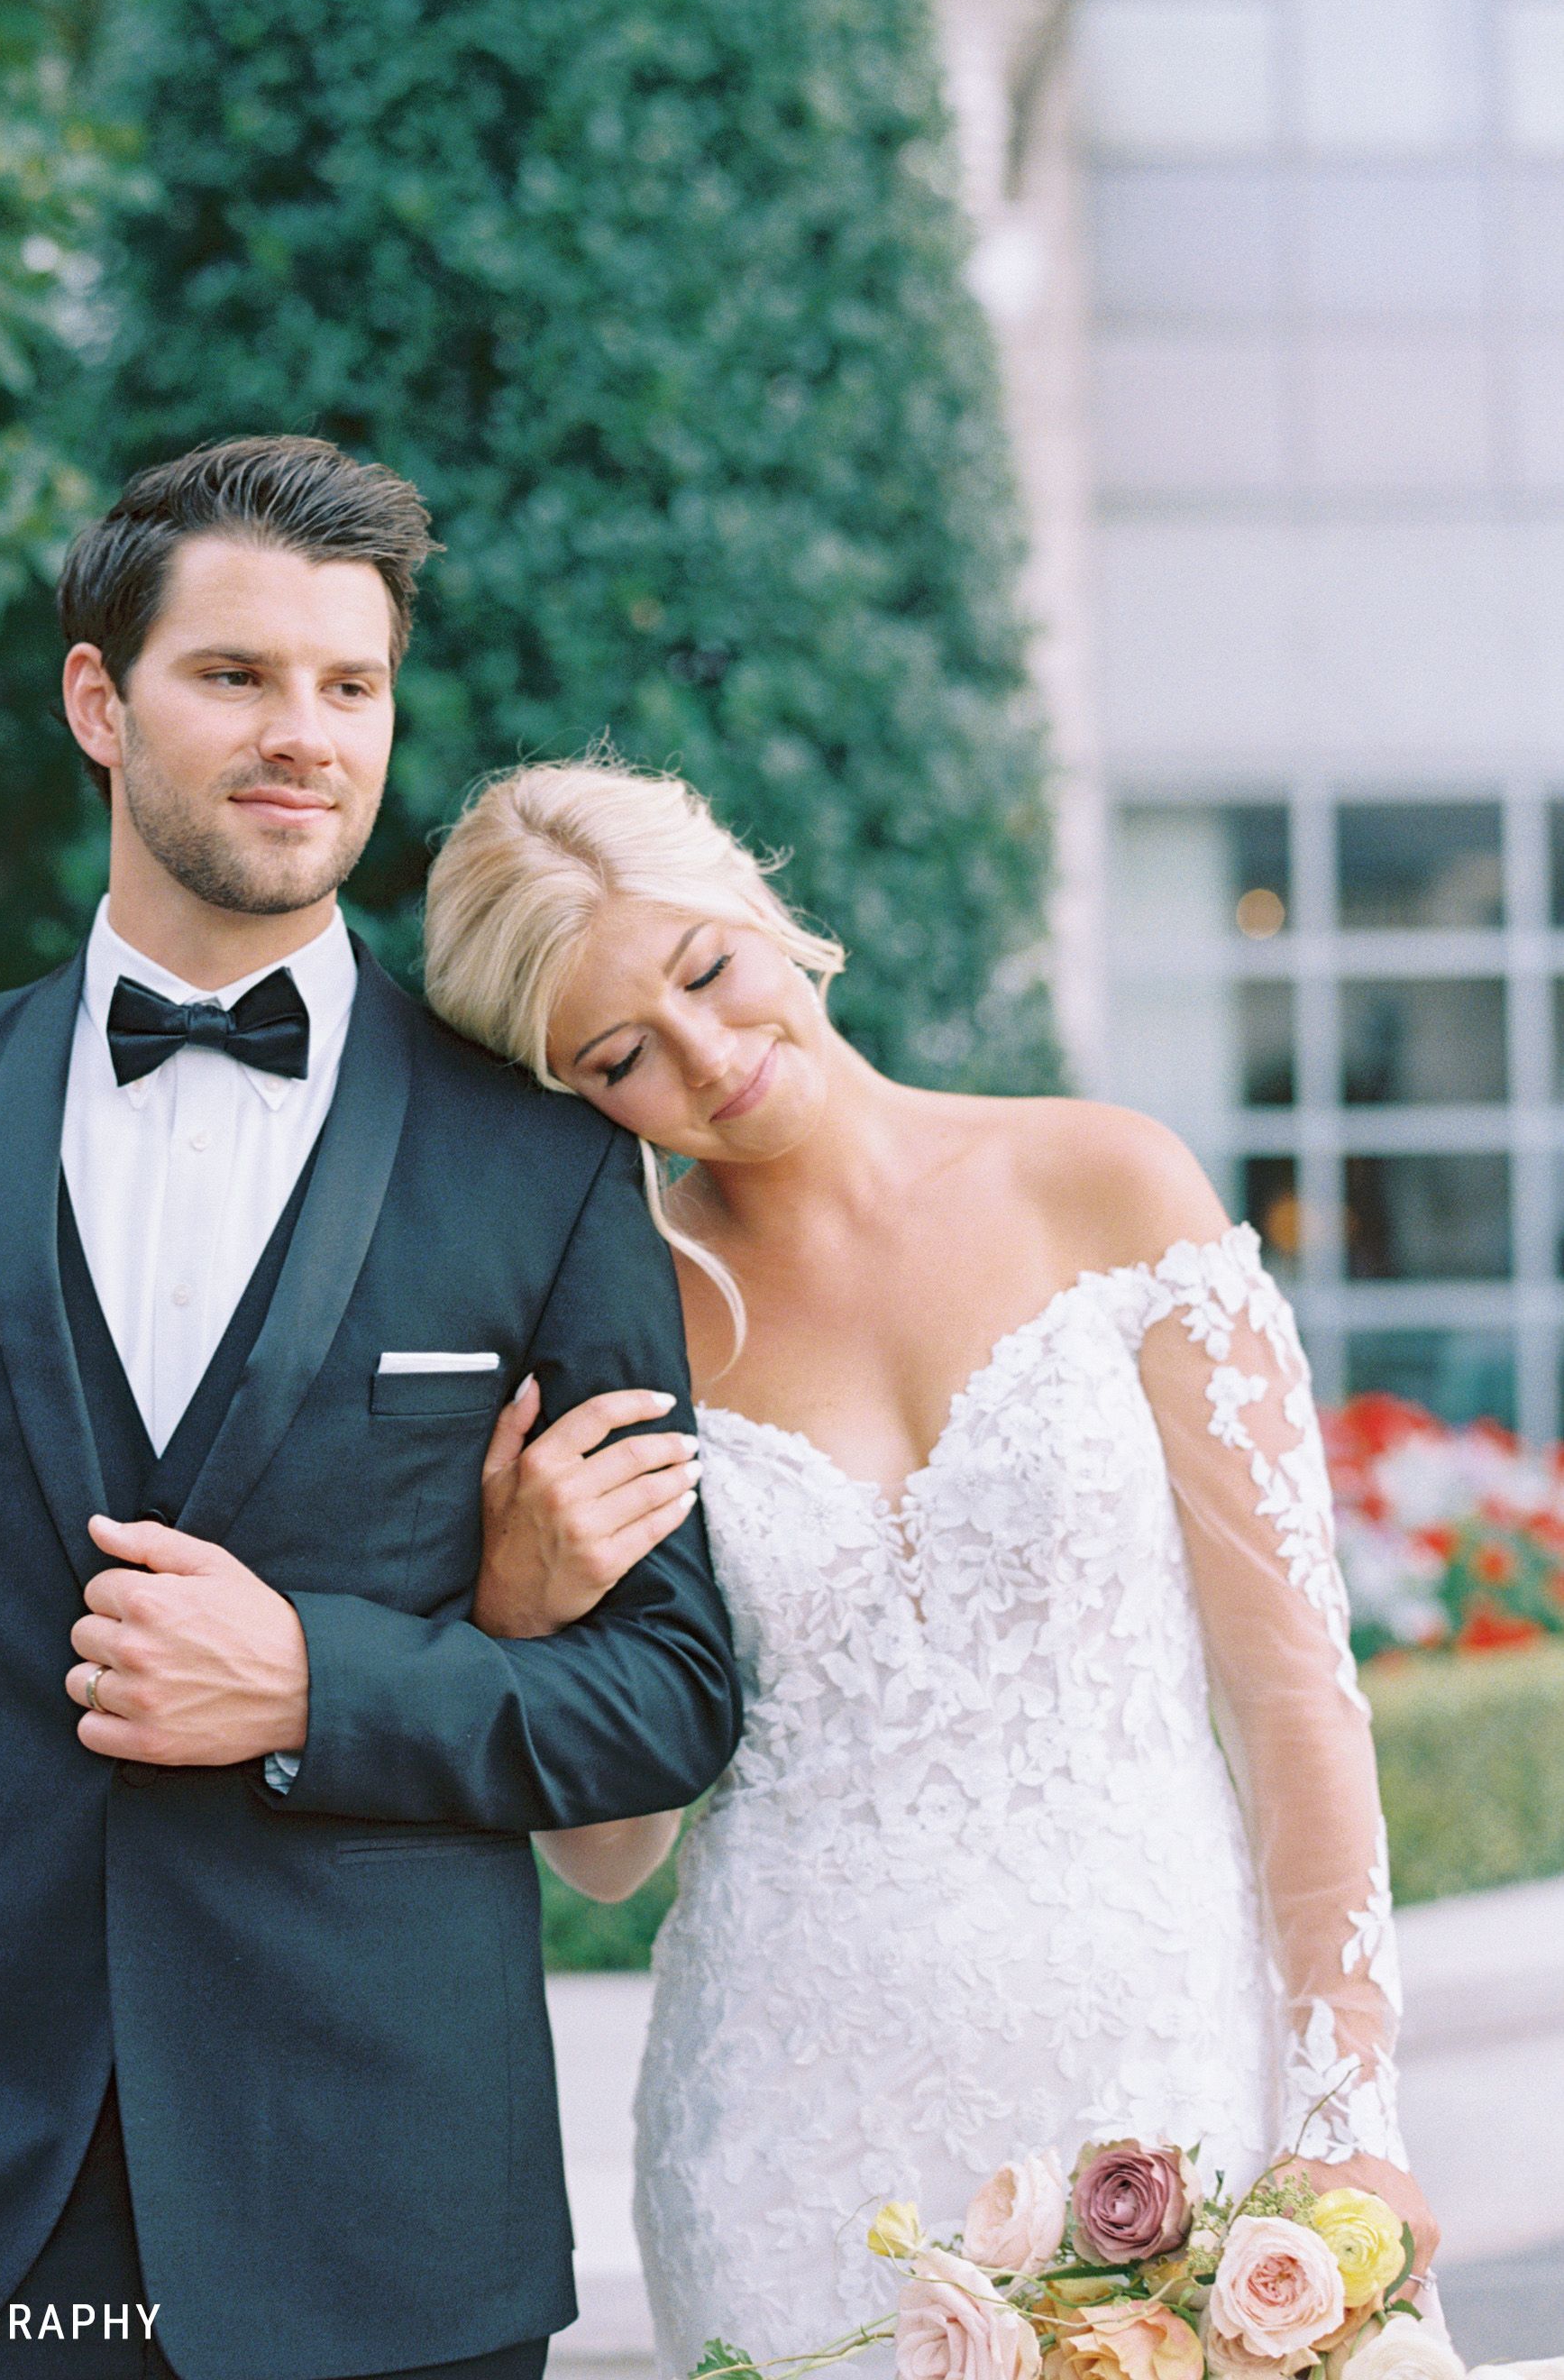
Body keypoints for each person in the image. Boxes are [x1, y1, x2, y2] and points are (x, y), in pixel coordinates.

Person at [0, 441, 741, 2380]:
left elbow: (673, 1686)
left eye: (350, 686)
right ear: (100, 699)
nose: (303, 736)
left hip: (384, 2202)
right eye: (234, 676)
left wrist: (318, 1683)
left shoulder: (541, 1158)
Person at [428, 755, 1438, 2379]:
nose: (709, 1058)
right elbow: (610, 1857)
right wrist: (520, 1608)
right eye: (620, 1057)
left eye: (706, 971)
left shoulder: (1105, 1185)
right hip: (787, 2145)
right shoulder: (619, 1335)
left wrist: (1345, 2109)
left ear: (756, 904)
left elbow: (1295, 1693)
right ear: (571, 1095)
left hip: (1172, 2078)